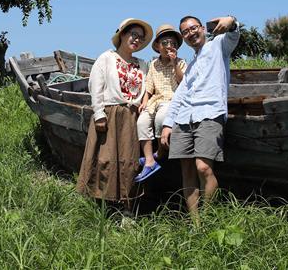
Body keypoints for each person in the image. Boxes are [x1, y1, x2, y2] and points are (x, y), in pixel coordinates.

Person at [160, 15, 239, 216]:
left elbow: (233, 33)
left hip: (210, 114)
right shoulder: (191, 64)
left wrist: (231, 20)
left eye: (193, 28)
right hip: (184, 118)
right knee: (186, 172)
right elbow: (180, 95)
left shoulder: (218, 46)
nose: (190, 33)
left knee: (203, 167)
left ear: (202, 28)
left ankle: (208, 218)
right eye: (185, 32)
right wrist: (168, 124)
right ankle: (196, 225)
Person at [76, 18, 152, 207]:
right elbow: (96, 86)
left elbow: (149, 89)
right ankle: (100, 204)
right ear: (122, 35)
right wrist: (99, 114)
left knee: (129, 161)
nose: (137, 40)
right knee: (105, 159)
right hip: (110, 114)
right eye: (133, 34)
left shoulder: (142, 65)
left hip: (132, 117)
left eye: (141, 38)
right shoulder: (107, 58)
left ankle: (126, 206)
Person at [134, 24, 186, 182]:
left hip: (172, 100)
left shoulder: (181, 62)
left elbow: (182, 82)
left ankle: (160, 153)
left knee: (161, 118)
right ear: (157, 46)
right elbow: (148, 87)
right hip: (155, 100)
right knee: (142, 121)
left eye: (173, 43)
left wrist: (174, 62)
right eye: (165, 43)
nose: (169, 46)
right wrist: (144, 102)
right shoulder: (153, 65)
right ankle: (150, 160)